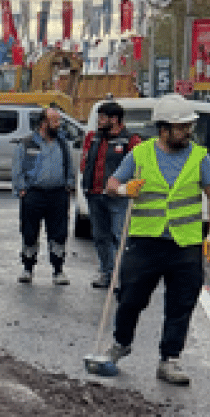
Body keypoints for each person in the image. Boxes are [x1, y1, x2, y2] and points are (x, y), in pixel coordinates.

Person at [98, 96, 210, 386]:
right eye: (182, 127)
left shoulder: (199, 157)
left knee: (181, 303)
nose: (188, 132)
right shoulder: (140, 154)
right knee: (130, 298)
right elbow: (111, 184)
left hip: (186, 244)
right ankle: (121, 343)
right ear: (164, 129)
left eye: (189, 126)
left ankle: (170, 359)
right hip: (145, 241)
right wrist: (124, 190)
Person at [80, 102, 141, 288]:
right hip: (95, 195)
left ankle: (121, 277)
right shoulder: (93, 138)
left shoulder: (130, 141)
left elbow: (139, 168)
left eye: (102, 118)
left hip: (118, 198)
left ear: (114, 120)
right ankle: (106, 273)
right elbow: (86, 162)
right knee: (100, 237)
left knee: (120, 237)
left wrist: (125, 188)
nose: (99, 121)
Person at [11, 107, 74, 285]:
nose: (58, 124)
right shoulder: (27, 143)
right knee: (29, 232)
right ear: (43, 123)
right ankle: (27, 268)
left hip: (58, 195)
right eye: (55, 121)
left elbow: (69, 166)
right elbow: (17, 167)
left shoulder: (62, 143)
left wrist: (68, 185)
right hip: (33, 195)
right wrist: (21, 189)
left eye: (59, 121)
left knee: (59, 234)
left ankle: (58, 270)